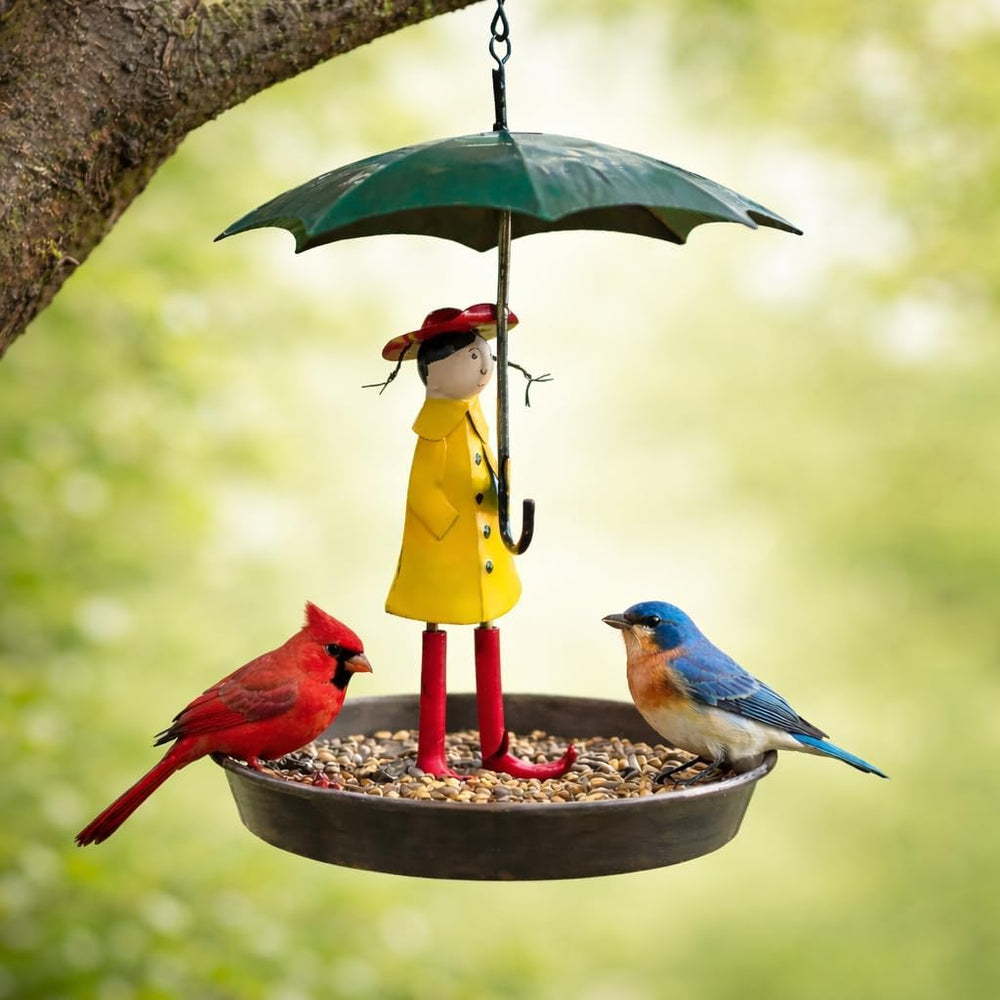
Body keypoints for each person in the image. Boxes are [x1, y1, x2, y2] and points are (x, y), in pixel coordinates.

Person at [382, 303, 576, 778]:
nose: (487, 367)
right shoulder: (435, 430)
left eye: (486, 355)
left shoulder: (475, 419)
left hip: (484, 554)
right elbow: (424, 491)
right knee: (437, 632)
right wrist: (454, 522)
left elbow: (483, 470)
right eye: (473, 358)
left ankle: (496, 749)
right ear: (435, 376)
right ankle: (432, 753)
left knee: (488, 628)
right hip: (444, 555)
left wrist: (498, 488)